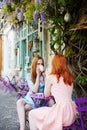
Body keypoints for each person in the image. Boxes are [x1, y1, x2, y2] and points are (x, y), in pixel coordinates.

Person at [28, 54, 77, 130]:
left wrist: (46, 78)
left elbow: (46, 95)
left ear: (54, 64)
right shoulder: (70, 78)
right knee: (46, 111)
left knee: (32, 114)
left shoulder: (51, 77)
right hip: (70, 113)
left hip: (61, 114)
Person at [16, 56, 45, 130]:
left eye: (41, 64)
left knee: (23, 109)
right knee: (19, 102)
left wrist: (39, 75)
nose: (40, 66)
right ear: (34, 65)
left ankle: (23, 127)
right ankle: (22, 128)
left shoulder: (44, 76)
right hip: (29, 98)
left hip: (38, 101)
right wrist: (37, 75)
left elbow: (35, 91)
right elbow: (33, 90)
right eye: (38, 64)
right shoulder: (29, 76)